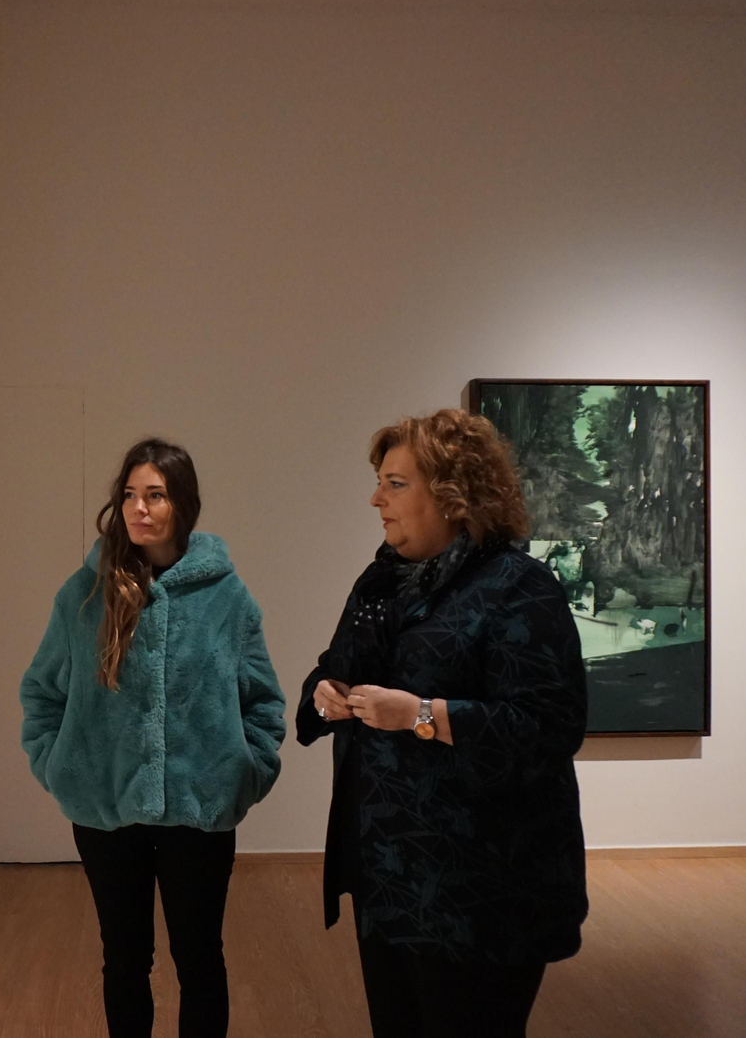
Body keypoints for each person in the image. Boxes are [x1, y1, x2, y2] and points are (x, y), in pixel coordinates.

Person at [296, 409, 588, 1038]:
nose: (376, 498)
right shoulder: (380, 582)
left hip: (482, 891)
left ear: (455, 494)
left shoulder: (519, 587)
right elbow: (332, 669)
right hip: (388, 880)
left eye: (396, 483)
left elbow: (549, 727)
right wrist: (323, 695)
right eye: (380, 481)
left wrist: (422, 715)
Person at [20, 438, 285, 1038]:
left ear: (183, 504)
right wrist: (58, 766)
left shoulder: (227, 597)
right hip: (106, 812)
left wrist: (247, 772)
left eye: (155, 495)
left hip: (202, 812)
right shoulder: (84, 593)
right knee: (125, 960)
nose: (139, 509)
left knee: (200, 959)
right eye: (130, 495)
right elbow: (42, 693)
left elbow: (263, 701)